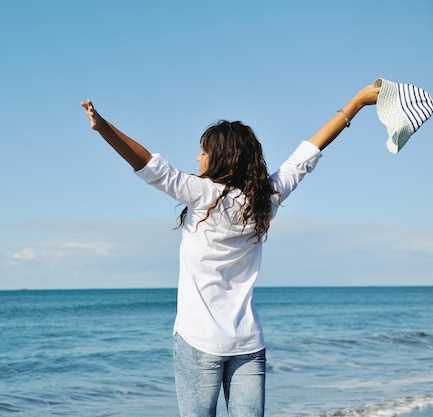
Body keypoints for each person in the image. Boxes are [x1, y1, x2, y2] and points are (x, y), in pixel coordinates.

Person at [81, 84, 380, 417]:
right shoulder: (265, 199)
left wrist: (104, 127)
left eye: (203, 151)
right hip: (247, 343)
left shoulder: (202, 194)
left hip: (198, 340)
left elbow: (149, 165)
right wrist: (357, 103)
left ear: (220, 156)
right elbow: (307, 154)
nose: (197, 157)